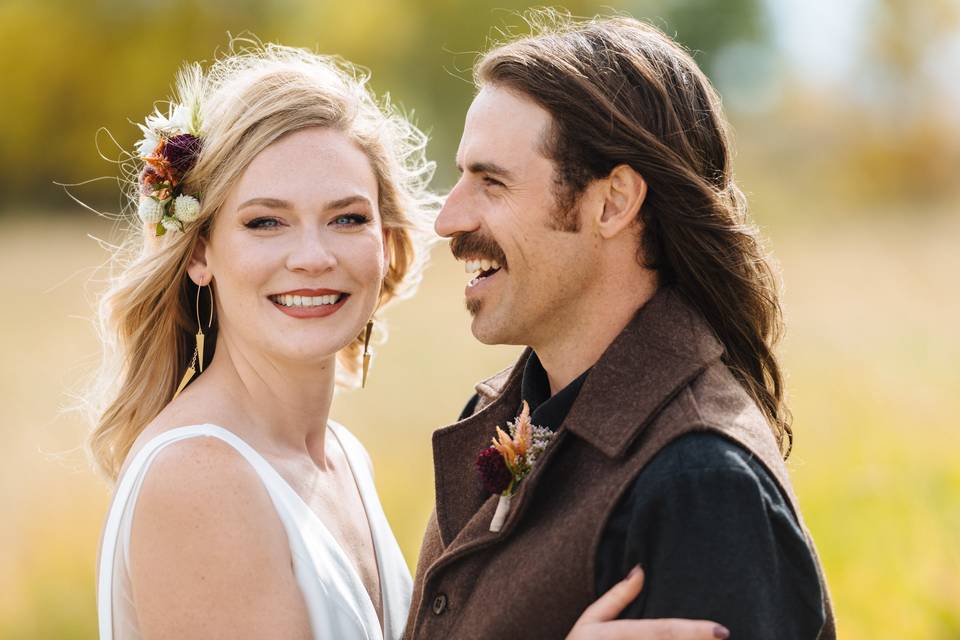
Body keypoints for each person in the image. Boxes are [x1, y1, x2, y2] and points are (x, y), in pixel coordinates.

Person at [90, 42, 724, 640]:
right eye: (265, 222)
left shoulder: (342, 458)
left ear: (387, 241)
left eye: (347, 218)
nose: (312, 257)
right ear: (200, 250)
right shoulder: (199, 479)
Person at [403, 13, 837, 640]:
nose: (448, 219)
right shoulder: (505, 408)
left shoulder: (700, 486)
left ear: (612, 203)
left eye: (492, 182)